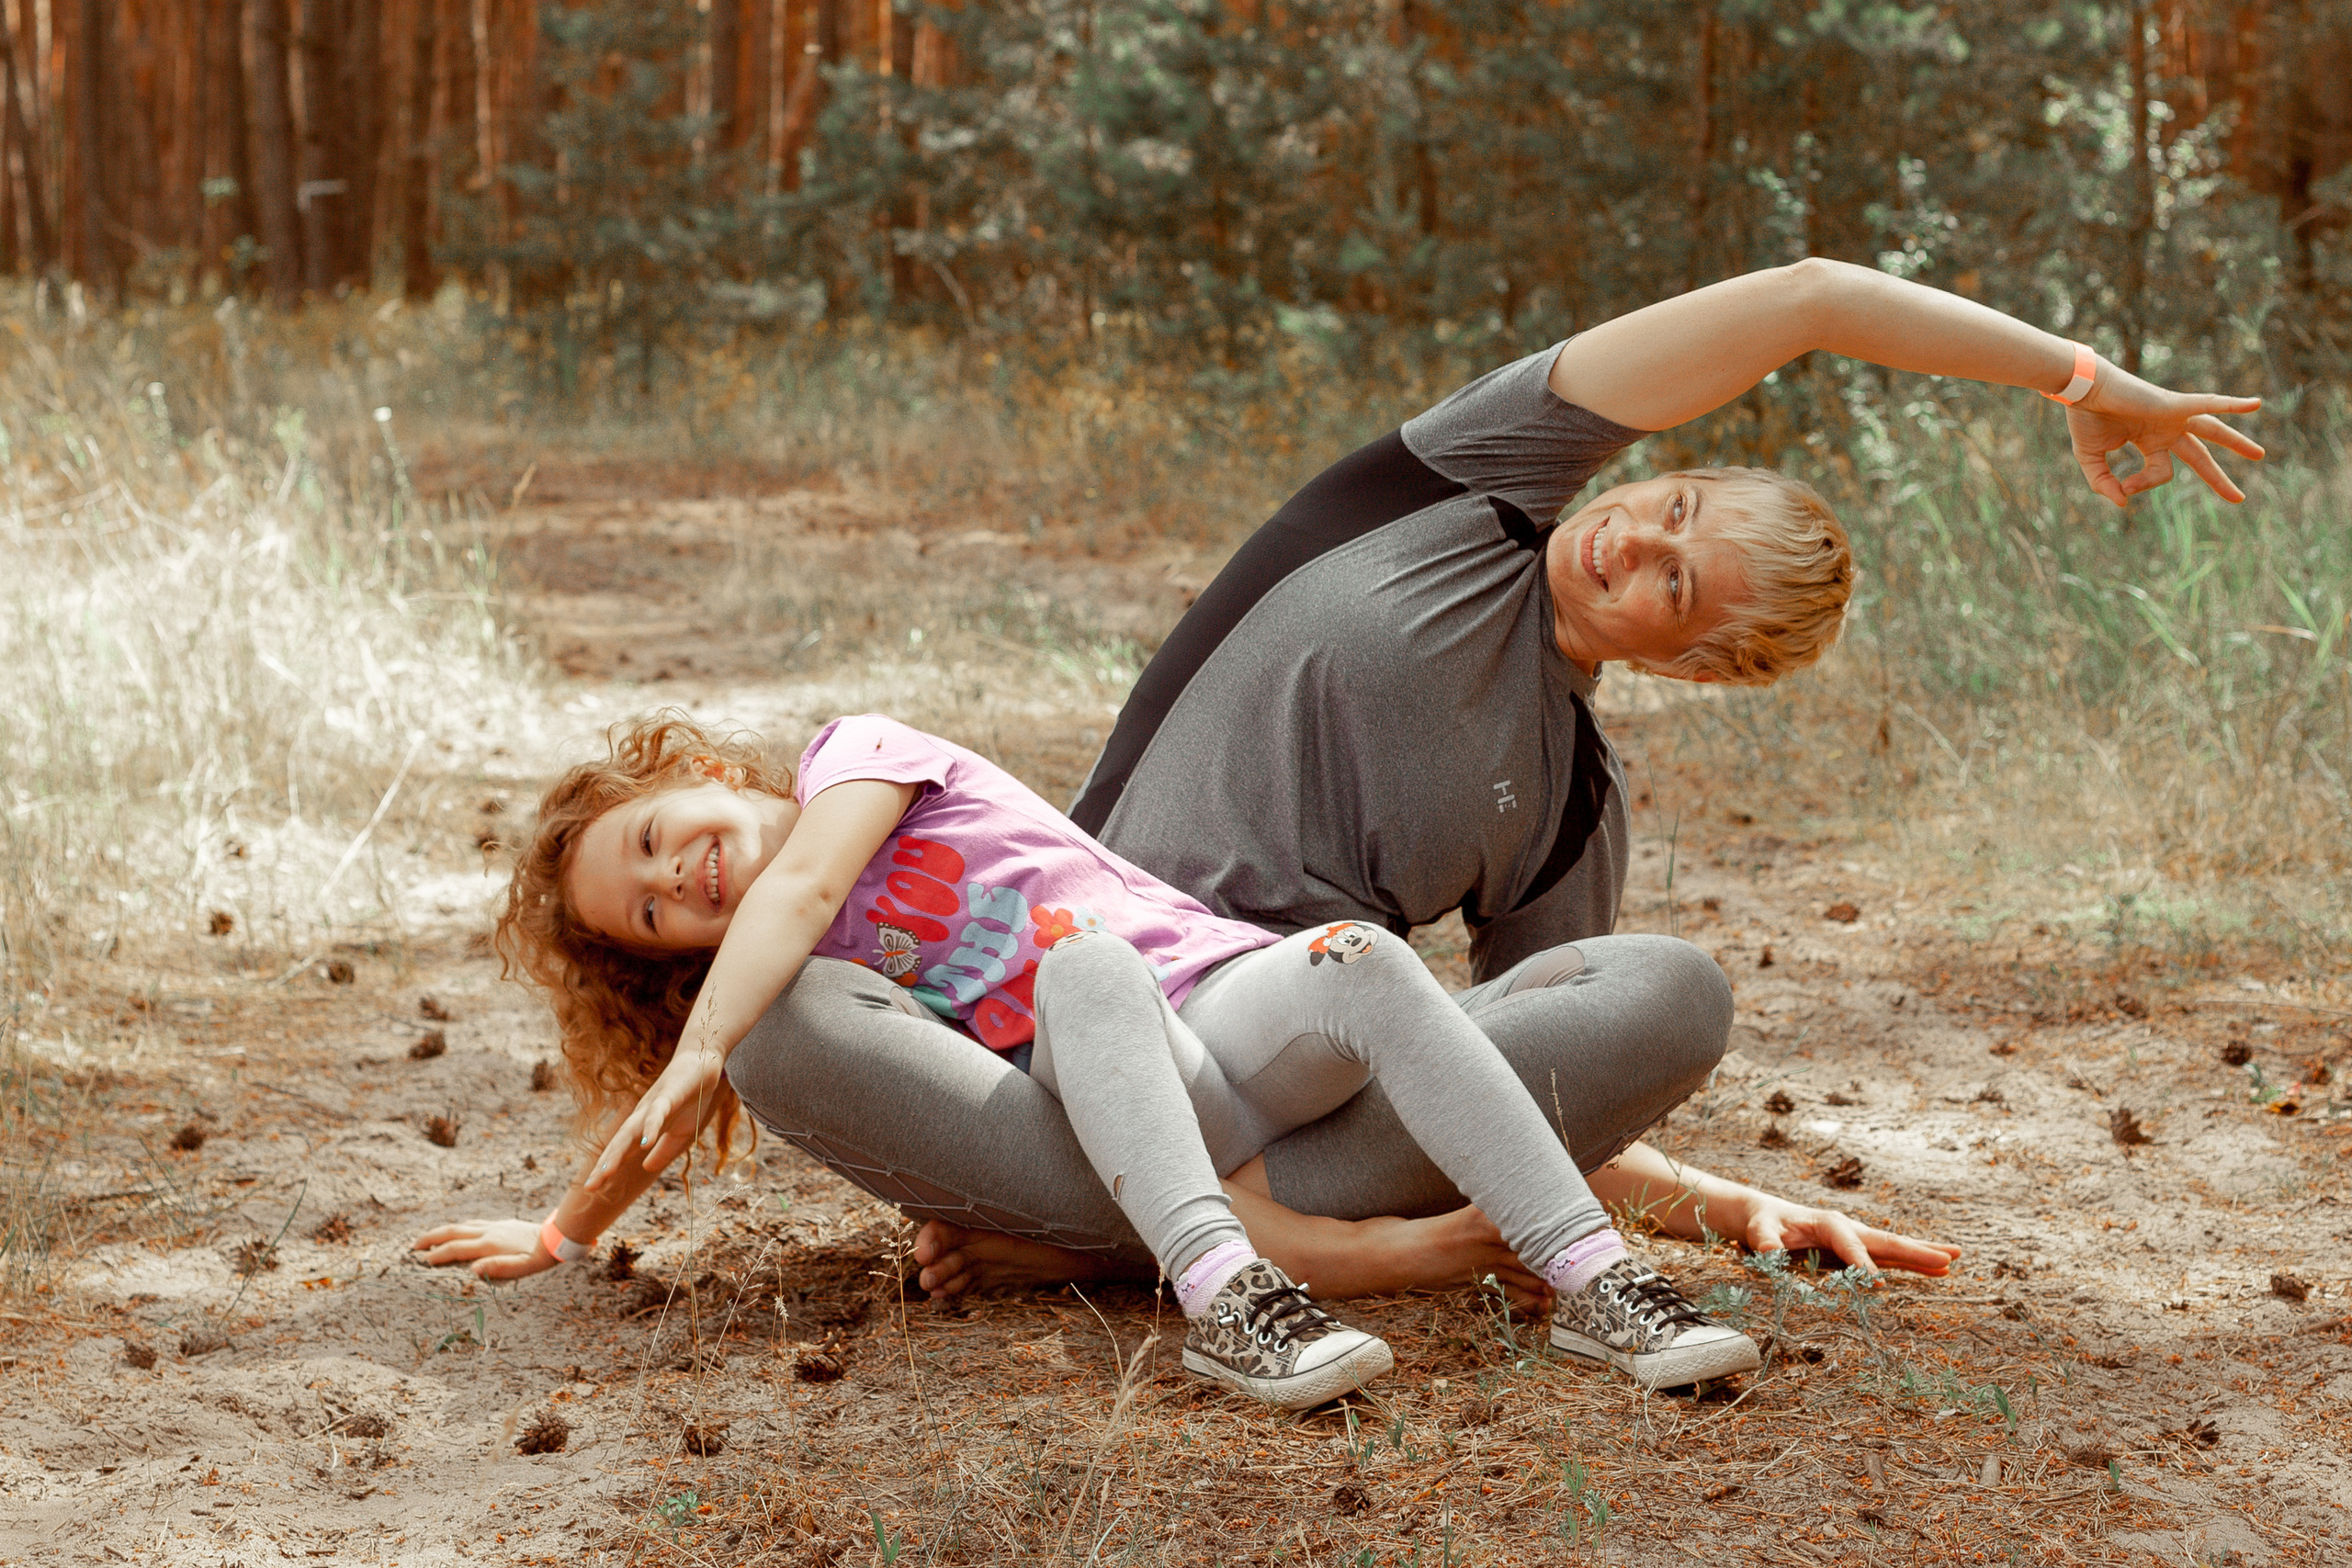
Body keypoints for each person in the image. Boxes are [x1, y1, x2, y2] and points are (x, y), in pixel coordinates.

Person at [712, 257, 2261, 1308]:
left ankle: (1119, 1238)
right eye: (1667, 506)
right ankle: (1196, 1238)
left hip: (1283, 1098)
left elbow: (1508, 1078)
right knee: (779, 1026)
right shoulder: (1456, 487)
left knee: (1666, 994)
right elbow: (1806, 300)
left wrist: (1728, 1208)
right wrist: (2084, 377)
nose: (1628, 540)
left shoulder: (1572, 795)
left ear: (1700, 665)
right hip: (1056, 1038)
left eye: (1672, 583)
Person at [414, 710, 1770, 1404]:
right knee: (1082, 969)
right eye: (648, 914)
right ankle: (1236, 1306)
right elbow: (978, 1122)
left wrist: (698, 1044)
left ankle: (1598, 1278)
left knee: (1363, 955)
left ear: (703, 769)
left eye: (657, 834)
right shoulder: (807, 994)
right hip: (1117, 1091)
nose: (678, 878)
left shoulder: (861, 756)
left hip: (1243, 1022)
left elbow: (809, 875)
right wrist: (568, 1226)